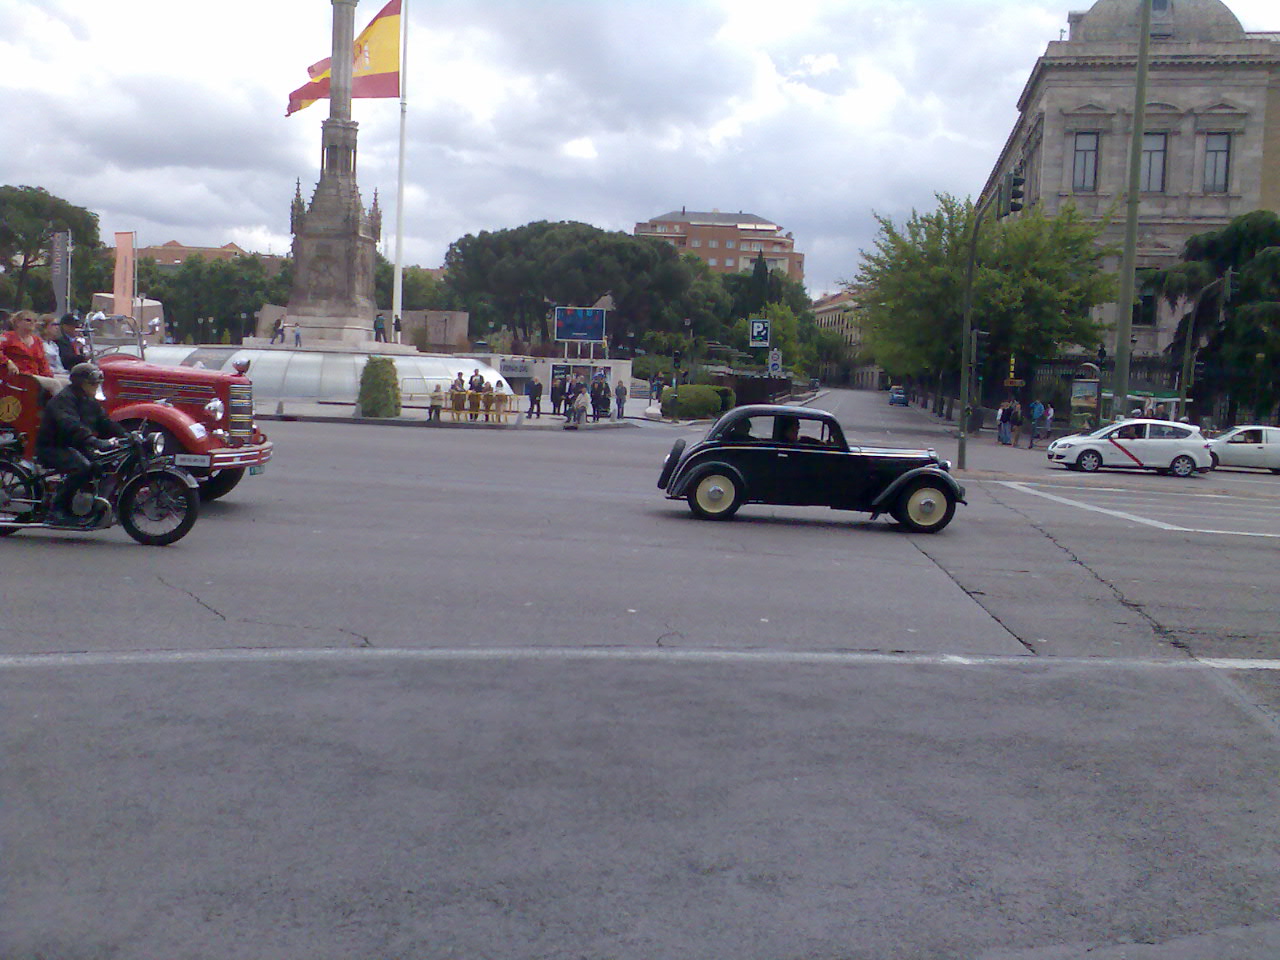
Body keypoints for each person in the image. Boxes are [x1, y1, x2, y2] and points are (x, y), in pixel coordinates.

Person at [35, 363, 126, 526]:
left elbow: (104, 422)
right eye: (92, 383)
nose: (96, 386)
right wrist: (93, 440)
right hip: (53, 446)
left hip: (75, 445)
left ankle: (91, 503)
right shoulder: (64, 400)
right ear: (80, 383)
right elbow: (71, 425)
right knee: (81, 467)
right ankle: (57, 510)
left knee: (104, 463)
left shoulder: (89, 400)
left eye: (97, 383)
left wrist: (126, 435)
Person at [2, 310, 60, 397]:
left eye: (35, 321)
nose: (32, 323)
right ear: (17, 323)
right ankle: (58, 410)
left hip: (35, 375)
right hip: (18, 375)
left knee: (67, 382)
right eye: (28, 320)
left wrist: (48, 375)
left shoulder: (37, 340)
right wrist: (8, 362)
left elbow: (42, 362)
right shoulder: (7, 337)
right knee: (54, 384)